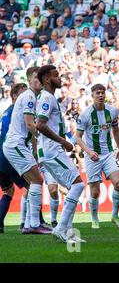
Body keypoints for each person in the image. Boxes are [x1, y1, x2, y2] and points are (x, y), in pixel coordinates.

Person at [35, 65, 86, 243]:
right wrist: (62, 141)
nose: (60, 78)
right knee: (78, 185)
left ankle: (68, 232)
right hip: (52, 151)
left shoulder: (48, 97)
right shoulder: (47, 98)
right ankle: (61, 228)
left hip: (48, 151)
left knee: (74, 187)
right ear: (47, 79)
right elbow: (40, 124)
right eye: (56, 75)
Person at [2, 67, 51, 235]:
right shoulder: (29, 96)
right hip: (15, 145)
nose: (40, 82)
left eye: (42, 79)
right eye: (36, 79)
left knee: (33, 183)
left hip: (15, 145)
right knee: (37, 180)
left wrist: (37, 150)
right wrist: (46, 137)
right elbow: (31, 125)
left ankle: (30, 223)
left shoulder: (30, 97)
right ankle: (34, 224)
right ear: (30, 81)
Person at [76, 84, 119, 229]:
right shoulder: (85, 114)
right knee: (95, 191)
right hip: (92, 156)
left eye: (103, 93)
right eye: (98, 93)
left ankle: (115, 216)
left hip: (109, 153)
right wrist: (89, 152)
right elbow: (77, 137)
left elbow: (115, 129)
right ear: (92, 95)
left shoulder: (112, 111)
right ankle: (95, 219)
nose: (101, 95)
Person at [0, 83, 29, 233]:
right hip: (8, 154)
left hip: (0, 156)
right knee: (33, 185)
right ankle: (32, 223)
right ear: (14, 96)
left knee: (8, 191)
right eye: (22, 94)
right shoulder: (17, 112)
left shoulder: (6, 112)